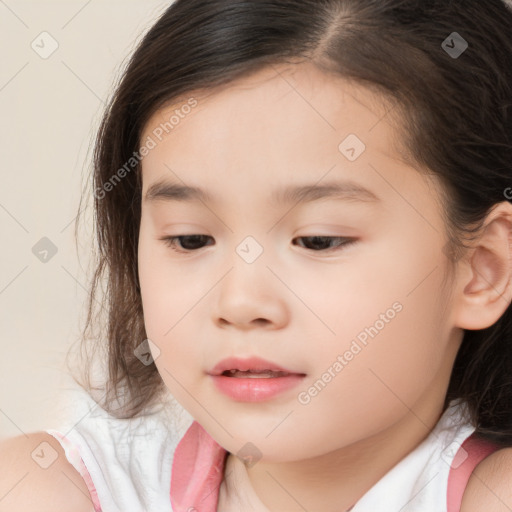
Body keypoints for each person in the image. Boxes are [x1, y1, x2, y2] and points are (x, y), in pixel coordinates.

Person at [2, 0, 512, 510]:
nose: (241, 302)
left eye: (318, 240)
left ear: (482, 270)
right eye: (190, 239)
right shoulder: (54, 489)